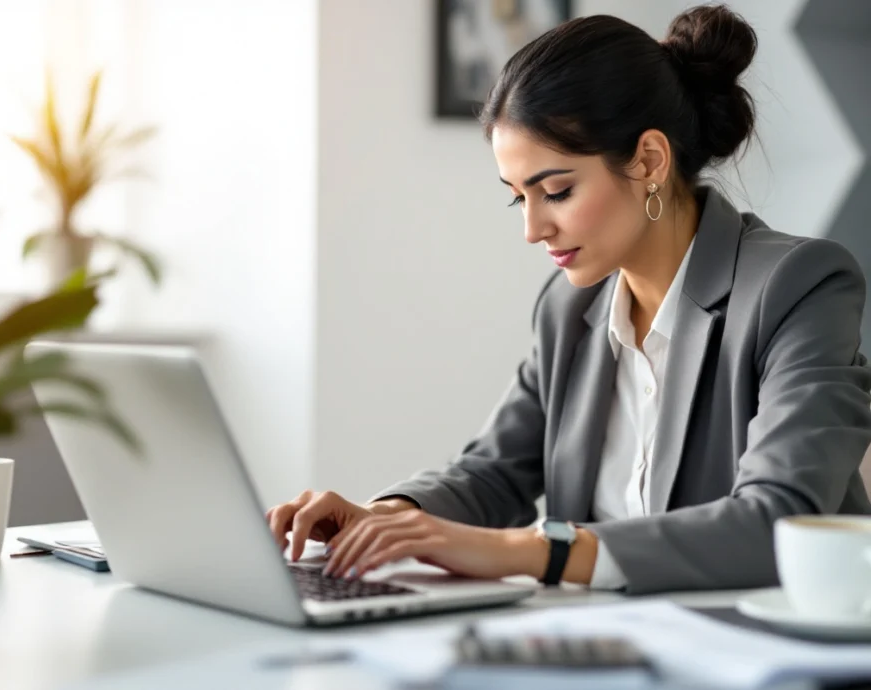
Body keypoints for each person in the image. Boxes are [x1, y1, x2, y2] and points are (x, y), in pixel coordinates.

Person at [266, 5, 871, 595]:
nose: (533, 228)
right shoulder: (568, 310)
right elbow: (494, 473)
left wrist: (535, 550)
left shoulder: (799, 285)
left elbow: (780, 520)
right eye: (517, 197)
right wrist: (387, 517)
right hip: (602, 643)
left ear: (649, 161)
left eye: (555, 191)